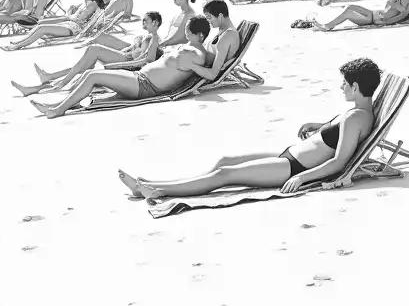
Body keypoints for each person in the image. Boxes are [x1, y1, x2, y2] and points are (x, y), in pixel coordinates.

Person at [119, 58, 380, 200]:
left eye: (344, 84)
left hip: (294, 168)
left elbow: (339, 161)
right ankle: (150, 183)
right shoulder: (357, 112)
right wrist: (319, 126)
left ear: (356, 87)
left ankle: (160, 191)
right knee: (225, 161)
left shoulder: (357, 117)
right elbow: (335, 137)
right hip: (289, 156)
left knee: (225, 175)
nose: (341, 87)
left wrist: (302, 177)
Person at [30, 15, 211, 117]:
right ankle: (58, 104)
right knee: (91, 73)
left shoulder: (197, 55)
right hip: (140, 77)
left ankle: (58, 110)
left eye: (189, 31)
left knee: (93, 76)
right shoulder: (187, 47)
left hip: (146, 86)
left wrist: (194, 67)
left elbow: (207, 71)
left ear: (200, 35)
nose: (186, 33)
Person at [11, 11, 163, 95]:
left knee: (93, 51)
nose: (143, 24)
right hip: (124, 58)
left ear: (155, 23)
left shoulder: (153, 38)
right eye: (142, 21)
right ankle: (45, 83)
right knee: (83, 66)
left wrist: (119, 63)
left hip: (126, 64)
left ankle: (55, 82)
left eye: (146, 21)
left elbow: (146, 60)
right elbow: (140, 53)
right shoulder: (147, 37)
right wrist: (131, 48)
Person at [1, 0, 104, 50]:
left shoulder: (92, 5)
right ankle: (19, 42)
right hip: (70, 24)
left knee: (42, 28)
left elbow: (80, 18)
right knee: (40, 25)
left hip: (75, 28)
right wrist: (69, 15)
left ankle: (17, 45)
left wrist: (68, 16)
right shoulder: (87, 3)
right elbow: (78, 14)